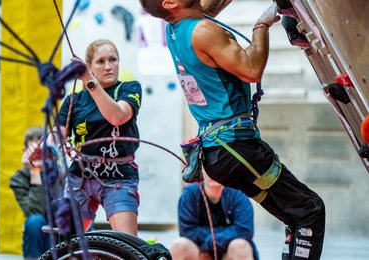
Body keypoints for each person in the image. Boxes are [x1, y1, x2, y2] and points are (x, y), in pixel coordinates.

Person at [139, 1, 325, 259]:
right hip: (236, 146)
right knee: (310, 209)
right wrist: (262, 25)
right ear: (170, 3)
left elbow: (206, 9)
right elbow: (251, 69)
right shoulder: (203, 31)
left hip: (218, 152)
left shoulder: (176, 29)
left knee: (296, 216)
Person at [26, 39, 142, 236]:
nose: (108, 66)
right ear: (89, 66)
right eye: (100, 61)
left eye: (113, 60)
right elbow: (58, 134)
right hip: (80, 176)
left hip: (119, 176)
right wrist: (43, 147)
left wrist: (89, 80)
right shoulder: (74, 100)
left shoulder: (128, 89)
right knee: (68, 242)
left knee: (127, 243)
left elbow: (118, 116)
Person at [170, 173, 258, 260]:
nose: (212, 172)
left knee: (241, 246)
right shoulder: (190, 194)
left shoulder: (237, 193)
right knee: (178, 246)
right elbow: (187, 231)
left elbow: (244, 230)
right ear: (201, 170)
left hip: (228, 253)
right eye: (207, 165)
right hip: (201, 253)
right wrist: (222, 234)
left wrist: (211, 241)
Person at [10, 126, 51, 260]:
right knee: (35, 221)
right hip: (39, 236)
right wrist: (35, 172)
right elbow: (34, 210)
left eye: (41, 151)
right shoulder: (18, 179)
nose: (38, 155)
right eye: (33, 151)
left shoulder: (61, 173)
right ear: (25, 152)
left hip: (60, 234)